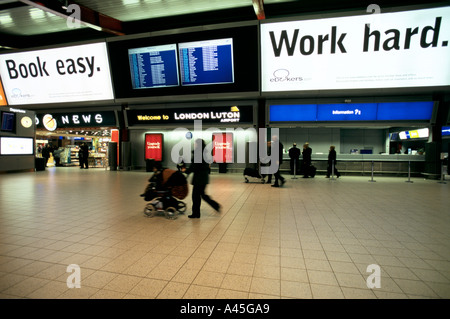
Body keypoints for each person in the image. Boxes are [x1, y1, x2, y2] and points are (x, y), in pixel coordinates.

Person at [183, 139, 221, 218]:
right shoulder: (204, 153)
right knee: (201, 195)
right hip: (203, 177)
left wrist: (186, 171)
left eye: (195, 143)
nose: (194, 145)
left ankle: (197, 213)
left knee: (196, 196)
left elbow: (194, 166)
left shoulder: (198, 153)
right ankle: (213, 207)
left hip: (199, 179)